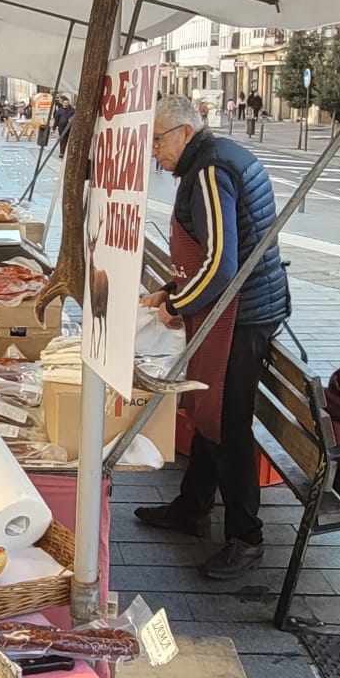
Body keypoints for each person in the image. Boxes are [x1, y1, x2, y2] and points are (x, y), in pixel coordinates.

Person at [134, 95, 290, 583]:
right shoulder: (212, 160)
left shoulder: (207, 172)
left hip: (239, 317)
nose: (153, 154)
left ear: (183, 133)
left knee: (226, 423)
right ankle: (192, 505)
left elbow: (222, 264)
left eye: (156, 142)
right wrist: (168, 290)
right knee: (207, 410)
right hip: (236, 312)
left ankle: (246, 538)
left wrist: (178, 305)